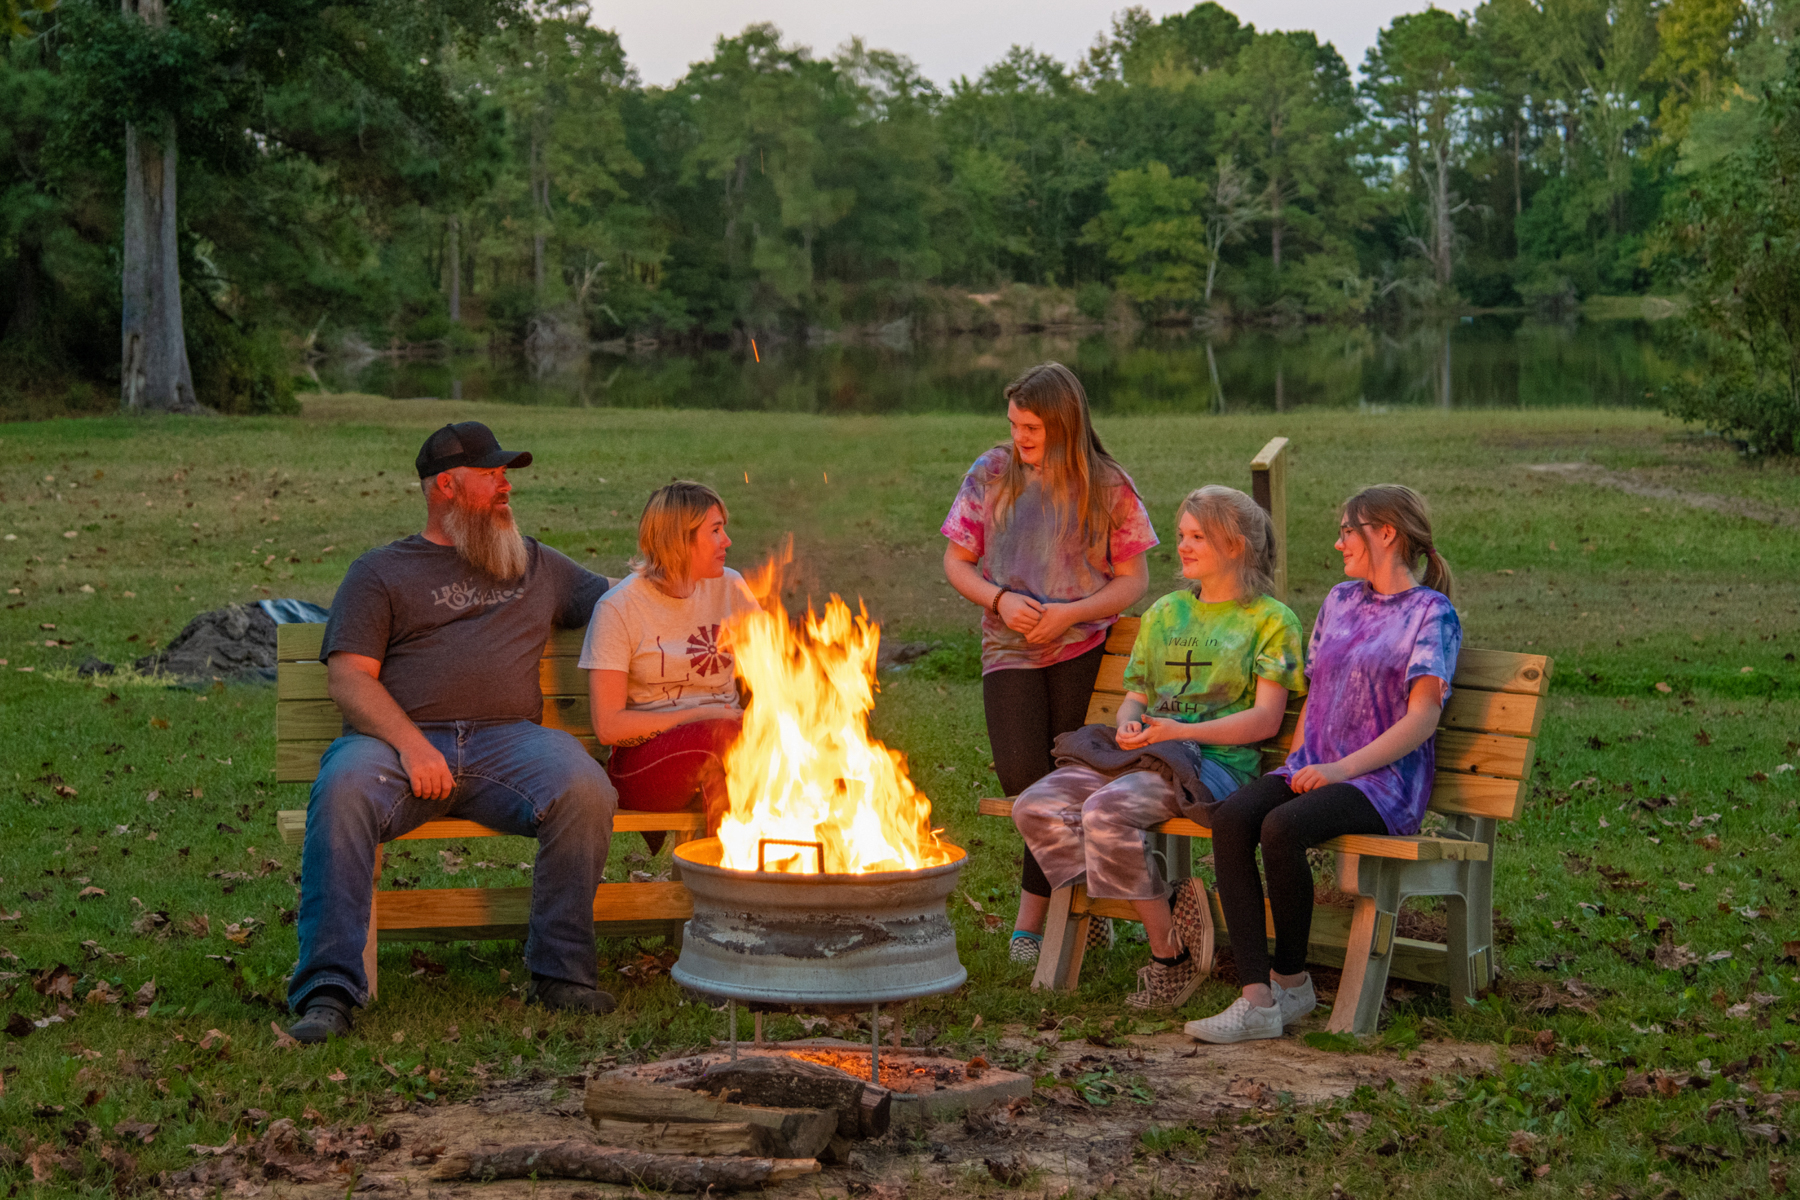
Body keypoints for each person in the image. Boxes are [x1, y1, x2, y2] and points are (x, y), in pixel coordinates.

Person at [287, 422, 619, 1045]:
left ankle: (561, 974)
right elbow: (350, 680)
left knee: (583, 786)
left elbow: (621, 604)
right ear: (446, 485)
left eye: (506, 474)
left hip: (509, 743)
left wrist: (696, 579)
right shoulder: (381, 572)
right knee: (343, 792)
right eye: (491, 473)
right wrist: (413, 746)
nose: (505, 486)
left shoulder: (538, 563)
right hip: (394, 744)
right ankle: (328, 990)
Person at [1186, 484, 1461, 1044]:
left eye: (1346, 531)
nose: (1338, 544)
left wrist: (1340, 770)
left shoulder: (1432, 614)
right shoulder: (1339, 600)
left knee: (1282, 827)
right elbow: (1316, 692)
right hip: (1314, 768)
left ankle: (1291, 982)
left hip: (1384, 784)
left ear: (1386, 533)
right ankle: (1257, 998)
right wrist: (1300, 764)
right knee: (1235, 817)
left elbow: (1422, 718)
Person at [1011, 487, 1304, 1008]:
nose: (1183, 547)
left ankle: (1167, 954)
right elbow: (1135, 699)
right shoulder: (1165, 613)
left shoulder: (1270, 620)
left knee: (1105, 812)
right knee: (1035, 805)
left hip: (1213, 766)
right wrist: (1128, 725)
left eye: (1198, 538)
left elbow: (1264, 720)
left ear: (1235, 546)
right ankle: (1142, 906)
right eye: (1182, 535)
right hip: (1146, 753)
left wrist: (1179, 733)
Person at [940, 362, 1157, 965]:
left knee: (1064, 780)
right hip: (1007, 647)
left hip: (1082, 648)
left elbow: (1133, 579)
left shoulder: (1107, 485)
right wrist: (1000, 599)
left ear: (1065, 424)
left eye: (1032, 426)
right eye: (1014, 424)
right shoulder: (990, 473)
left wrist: (1075, 612)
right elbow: (956, 564)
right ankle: (1079, 891)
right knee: (1021, 779)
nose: (1021, 437)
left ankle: (1033, 921)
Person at [581, 481, 759, 842]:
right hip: (645, 761)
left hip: (731, 742)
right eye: (715, 530)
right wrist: (702, 717)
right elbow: (609, 726)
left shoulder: (730, 588)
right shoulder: (620, 609)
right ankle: (726, 880)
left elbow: (775, 673)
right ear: (680, 539)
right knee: (721, 738)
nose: (727, 541)